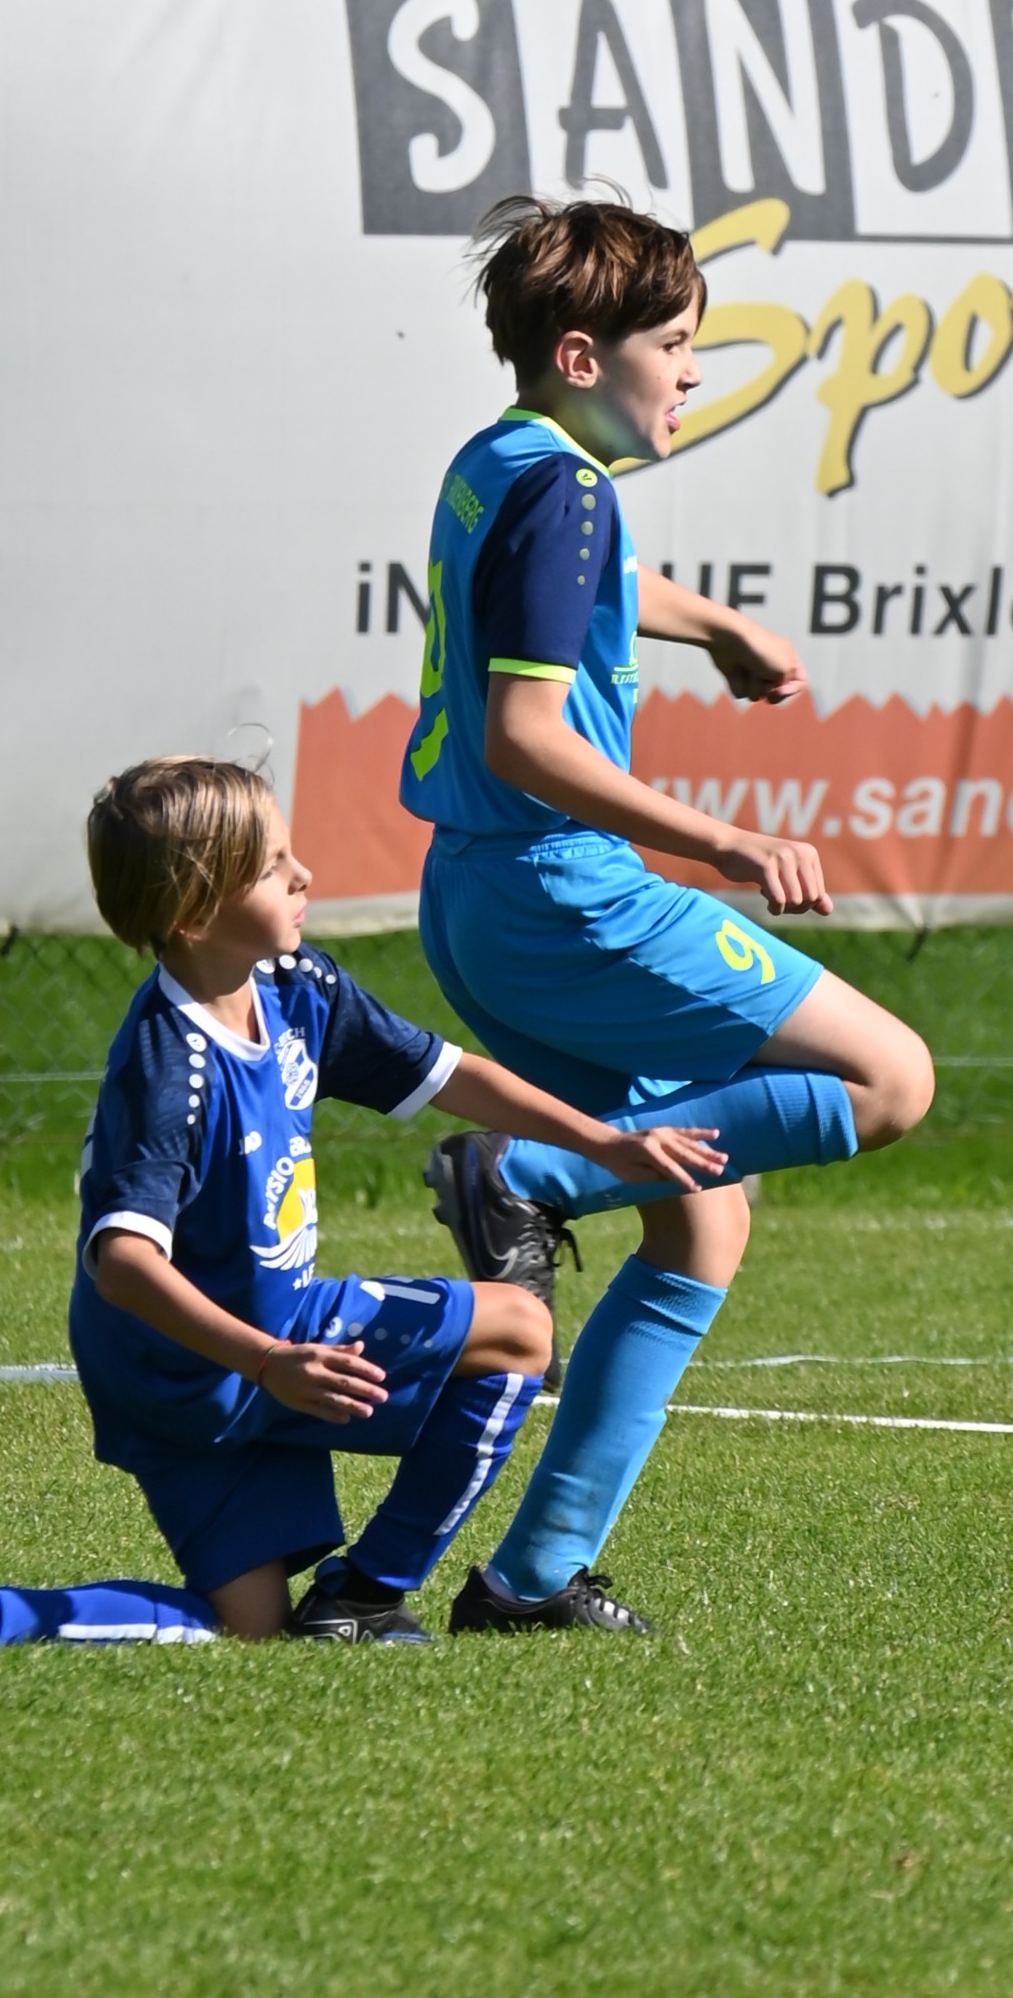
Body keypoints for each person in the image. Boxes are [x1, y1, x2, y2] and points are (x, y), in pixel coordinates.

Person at [399, 193, 934, 1636]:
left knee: (701, 1226)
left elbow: (590, 585)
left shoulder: (503, 460)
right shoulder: (571, 490)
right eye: (676, 344)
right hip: (562, 894)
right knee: (890, 1079)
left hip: (477, 897)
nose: (694, 371)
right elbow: (525, 735)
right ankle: (524, 1173)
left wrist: (720, 627)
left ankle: (528, 1580)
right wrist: (724, 840)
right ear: (583, 355)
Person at [0, 755, 723, 1653]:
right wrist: (269, 1359)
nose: (304, 874)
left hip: (262, 1341)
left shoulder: (295, 986)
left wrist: (601, 1140)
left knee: (257, 1624)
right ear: (195, 913)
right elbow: (122, 1261)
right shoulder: (170, 1068)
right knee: (519, 1325)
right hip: (185, 1372)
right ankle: (366, 1595)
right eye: (273, 867)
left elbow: (446, 1073)